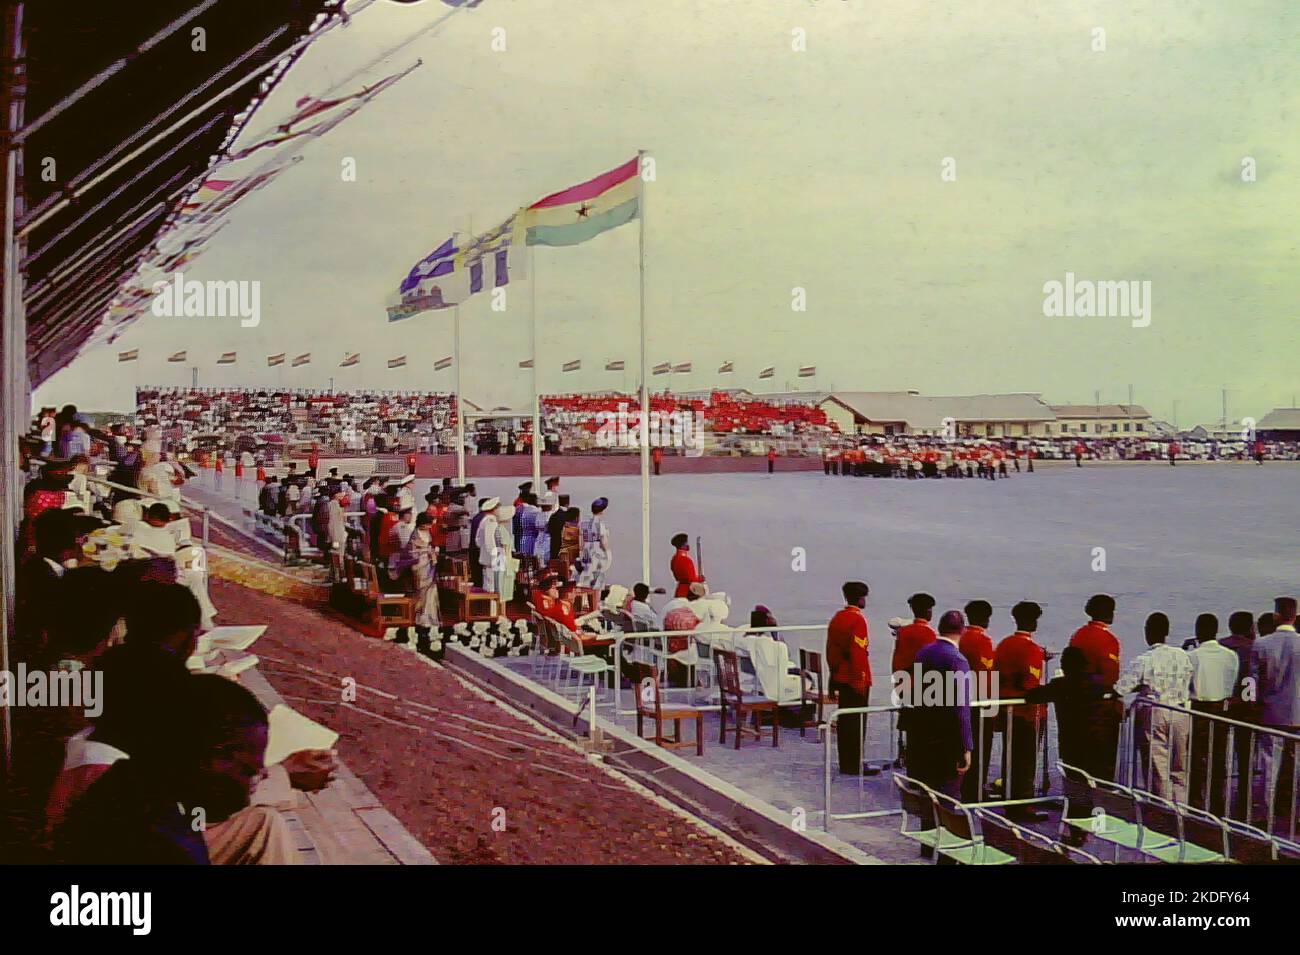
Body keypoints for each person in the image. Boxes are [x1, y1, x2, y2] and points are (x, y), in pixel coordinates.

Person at [1024, 646, 1122, 829]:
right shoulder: (1099, 683)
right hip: (1100, 745)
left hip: (1073, 747)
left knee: (1076, 793)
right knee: (1098, 791)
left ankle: (1076, 831)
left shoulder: (1062, 684)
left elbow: (1033, 696)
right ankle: (1099, 828)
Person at [908, 610, 973, 851]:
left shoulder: (923, 653)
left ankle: (927, 843)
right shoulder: (957, 660)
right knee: (947, 797)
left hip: (923, 733)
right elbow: (961, 708)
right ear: (962, 631)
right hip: (946, 740)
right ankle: (945, 849)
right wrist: (966, 746)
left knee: (928, 792)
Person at [1116, 612, 1193, 803]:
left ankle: (1163, 811)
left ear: (1147, 633)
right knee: (1180, 767)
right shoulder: (1183, 656)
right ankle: (1181, 811)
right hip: (1182, 712)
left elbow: (1121, 688)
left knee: (1158, 767)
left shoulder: (1144, 659)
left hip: (1156, 712)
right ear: (1167, 632)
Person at [1248, 596, 1300, 830]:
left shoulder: (1261, 645)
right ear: (1295, 616)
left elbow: (1252, 683)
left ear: (1276, 615)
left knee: (1269, 765)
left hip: (1270, 714)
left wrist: (1251, 706)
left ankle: (1264, 814)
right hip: (1298, 714)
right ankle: (1295, 814)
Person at [995, 601, 1048, 820]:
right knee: (1026, 760)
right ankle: (1022, 804)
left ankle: (1010, 797)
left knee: (1010, 757)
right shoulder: (1030, 649)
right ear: (1033, 621)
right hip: (1027, 713)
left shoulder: (1004, 644)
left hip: (1006, 709)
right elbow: (1029, 682)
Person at [1186, 612, 1238, 815]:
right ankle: (1217, 803)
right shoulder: (1230, 655)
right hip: (1221, 709)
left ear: (1198, 631)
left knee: (1197, 758)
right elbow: (1231, 682)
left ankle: (1195, 802)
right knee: (1219, 757)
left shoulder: (1193, 656)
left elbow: (1186, 683)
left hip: (1199, 708)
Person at [826, 581, 871, 775]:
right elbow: (858, 652)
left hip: (840, 674)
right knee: (856, 723)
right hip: (854, 677)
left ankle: (846, 762)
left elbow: (830, 650)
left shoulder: (837, 618)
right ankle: (855, 764)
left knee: (845, 722)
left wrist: (833, 675)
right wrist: (861, 679)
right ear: (859, 598)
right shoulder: (858, 620)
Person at [1220, 610, 1258, 819]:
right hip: (1244, 708)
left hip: (1221, 705)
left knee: (1217, 754)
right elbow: (1251, 679)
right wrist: (1246, 699)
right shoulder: (1253, 648)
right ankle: (1244, 801)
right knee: (1245, 759)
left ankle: (1216, 798)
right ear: (1250, 628)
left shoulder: (1221, 645)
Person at [958, 599, 996, 803]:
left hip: (961, 699)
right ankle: (974, 789)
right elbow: (986, 674)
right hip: (979, 703)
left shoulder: (960, 638)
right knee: (981, 748)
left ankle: (964, 786)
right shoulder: (982, 641)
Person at [1069, 594, 1121, 689]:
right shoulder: (1109, 639)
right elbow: (1110, 676)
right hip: (1097, 696)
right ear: (1109, 613)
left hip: (1074, 690)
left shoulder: (1077, 634)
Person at [576, 498, 612, 590]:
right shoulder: (600, 524)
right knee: (598, 578)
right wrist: (608, 554)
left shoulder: (583, 523)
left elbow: (581, 542)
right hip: (597, 552)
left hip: (586, 551)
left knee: (586, 576)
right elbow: (603, 542)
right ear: (602, 510)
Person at [669, 533, 704, 597]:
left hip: (679, 590)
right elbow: (691, 578)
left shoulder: (674, 559)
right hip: (689, 592)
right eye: (686, 543)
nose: (688, 545)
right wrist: (700, 578)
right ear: (683, 545)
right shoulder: (686, 560)